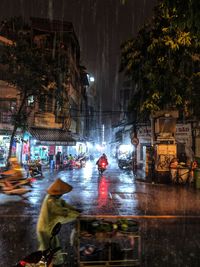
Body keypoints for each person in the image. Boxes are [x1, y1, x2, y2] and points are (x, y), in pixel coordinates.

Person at [36, 178, 80, 267]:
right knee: (47, 249)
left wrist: (74, 209)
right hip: (45, 229)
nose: (62, 195)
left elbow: (64, 204)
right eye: (61, 193)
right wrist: (76, 214)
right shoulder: (51, 200)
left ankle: (52, 262)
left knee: (52, 247)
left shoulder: (55, 198)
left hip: (49, 227)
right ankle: (44, 264)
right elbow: (62, 211)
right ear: (57, 193)